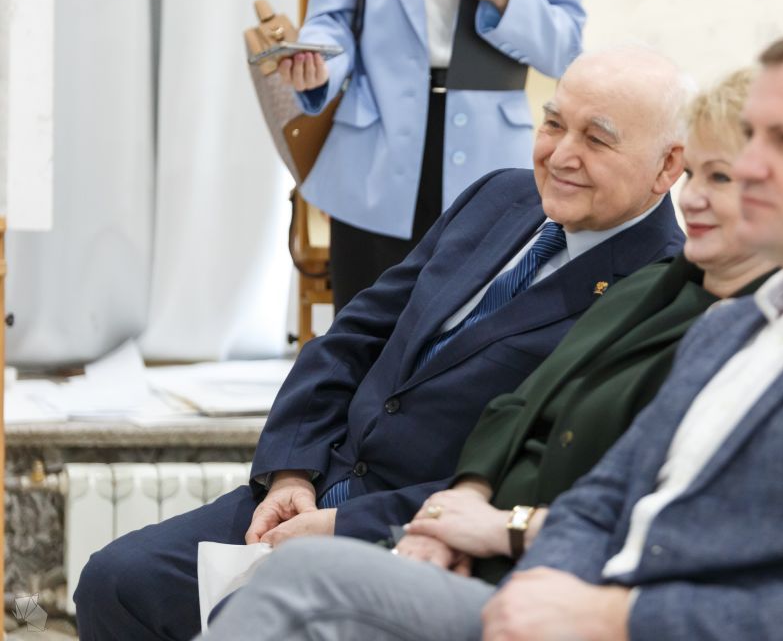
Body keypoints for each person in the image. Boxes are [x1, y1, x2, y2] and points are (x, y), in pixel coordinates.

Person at [204, 25, 783, 641]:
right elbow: (605, 497)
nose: (748, 169)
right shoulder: (733, 325)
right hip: (566, 601)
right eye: (748, 142)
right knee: (298, 581)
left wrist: (607, 616)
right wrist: (537, 579)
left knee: (307, 588)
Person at [73, 48, 685, 641]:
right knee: (117, 581)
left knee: (253, 616)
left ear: (667, 166)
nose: (561, 154)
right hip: (317, 480)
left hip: (421, 530)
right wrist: (292, 473)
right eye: (553, 124)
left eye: (596, 139)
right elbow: (355, 335)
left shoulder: (663, 291)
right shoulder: (500, 196)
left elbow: (548, 470)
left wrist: (346, 523)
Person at [388, 68, 776, 584]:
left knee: (308, 576)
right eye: (696, 175)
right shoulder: (655, 285)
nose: (692, 198)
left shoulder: (764, 333)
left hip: (556, 580)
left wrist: (508, 529)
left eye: (721, 178)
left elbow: (667, 512)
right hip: (471, 545)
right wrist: (457, 507)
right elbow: (518, 407)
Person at [279, 0, 585, 310]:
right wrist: (317, 66)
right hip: (377, 153)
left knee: (471, 341)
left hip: (490, 163)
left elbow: (566, 48)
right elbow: (331, 18)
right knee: (363, 338)